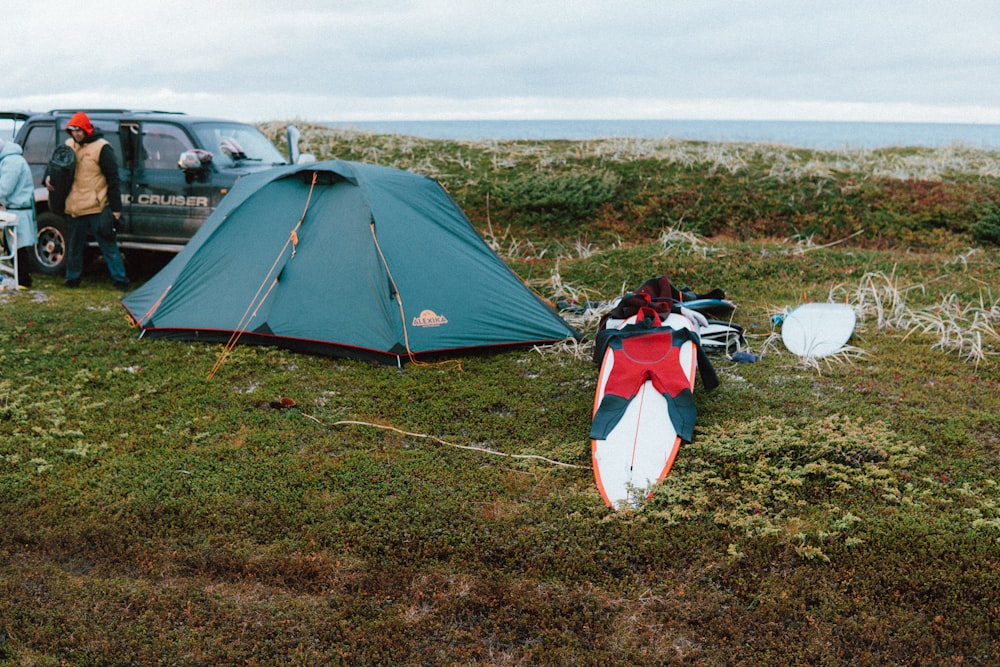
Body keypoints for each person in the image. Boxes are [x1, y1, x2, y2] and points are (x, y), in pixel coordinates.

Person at [47, 111, 129, 291]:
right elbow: (54, 165)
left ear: (86, 129)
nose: (75, 134)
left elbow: (113, 178)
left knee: (108, 245)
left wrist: (116, 208)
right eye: (71, 131)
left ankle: (120, 280)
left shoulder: (102, 147)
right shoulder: (69, 145)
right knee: (74, 246)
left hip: (97, 207)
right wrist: (47, 178)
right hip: (75, 206)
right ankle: (72, 279)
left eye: (78, 130)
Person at [0, 137, 37, 288]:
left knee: (18, 247)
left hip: (19, 210)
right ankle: (21, 277)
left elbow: (4, 188)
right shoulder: (10, 159)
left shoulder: (12, 162)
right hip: (16, 208)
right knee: (14, 246)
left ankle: (23, 280)